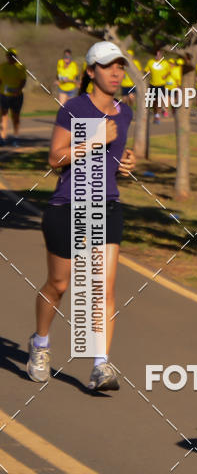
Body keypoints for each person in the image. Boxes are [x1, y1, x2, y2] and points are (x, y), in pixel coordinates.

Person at [26, 41, 135, 392]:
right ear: (91, 72)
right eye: (107, 66)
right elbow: (55, 158)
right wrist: (94, 138)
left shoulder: (125, 111)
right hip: (68, 206)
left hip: (107, 206)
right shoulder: (74, 108)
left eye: (120, 65)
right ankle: (40, 344)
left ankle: (100, 364)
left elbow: (112, 166)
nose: (116, 72)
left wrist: (127, 166)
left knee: (103, 287)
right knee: (59, 285)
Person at [0, 48, 27, 146]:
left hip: (17, 96)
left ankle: (16, 137)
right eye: (9, 55)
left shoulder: (20, 66)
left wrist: (18, 90)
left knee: (15, 117)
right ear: (6, 56)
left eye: (13, 55)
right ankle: (2, 138)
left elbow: (23, 81)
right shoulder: (2, 66)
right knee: (4, 116)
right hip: (4, 95)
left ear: (16, 56)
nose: (11, 57)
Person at [144, 49, 171, 122]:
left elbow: (169, 71)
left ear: (161, 55)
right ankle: (157, 113)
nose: (157, 56)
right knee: (154, 101)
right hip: (152, 84)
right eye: (156, 54)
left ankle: (158, 115)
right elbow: (146, 71)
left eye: (159, 54)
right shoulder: (150, 62)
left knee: (159, 100)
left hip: (161, 84)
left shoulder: (165, 63)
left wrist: (165, 76)